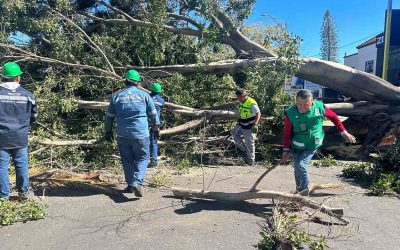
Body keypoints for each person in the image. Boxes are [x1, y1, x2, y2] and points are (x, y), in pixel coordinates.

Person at [282, 89, 356, 195]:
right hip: (297, 144)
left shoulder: (319, 107)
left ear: (311, 101)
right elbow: (287, 133)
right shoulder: (290, 113)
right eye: (299, 104)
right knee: (297, 167)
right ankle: (299, 190)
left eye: (305, 104)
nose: (302, 108)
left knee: (301, 166)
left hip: (312, 144)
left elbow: (334, 117)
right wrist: (286, 150)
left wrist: (343, 132)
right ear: (296, 102)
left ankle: (303, 193)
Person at [104, 69, 159, 198]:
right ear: (138, 82)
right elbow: (153, 114)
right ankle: (136, 182)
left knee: (127, 160)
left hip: (122, 134)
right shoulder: (144, 95)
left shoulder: (116, 96)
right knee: (143, 158)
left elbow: (109, 116)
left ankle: (130, 185)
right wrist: (156, 129)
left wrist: (108, 131)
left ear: (125, 81)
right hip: (140, 133)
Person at [0, 62, 37, 200]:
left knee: (1, 167)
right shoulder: (28, 95)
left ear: (2, 77)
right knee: (21, 165)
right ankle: (23, 193)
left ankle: (3, 196)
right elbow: (34, 117)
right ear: (18, 78)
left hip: (1, 138)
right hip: (20, 137)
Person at [231, 88, 261, 166]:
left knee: (250, 143)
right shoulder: (242, 101)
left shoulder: (251, 103)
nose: (238, 99)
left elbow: (258, 114)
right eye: (237, 97)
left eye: (239, 97)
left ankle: (251, 162)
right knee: (234, 133)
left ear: (244, 96)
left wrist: (255, 124)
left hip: (250, 126)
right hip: (242, 124)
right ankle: (244, 150)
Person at [148, 82, 165, 167]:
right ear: (159, 91)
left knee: (144, 143)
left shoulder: (147, 97)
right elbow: (161, 108)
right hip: (155, 124)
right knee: (153, 143)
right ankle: (154, 162)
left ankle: (145, 161)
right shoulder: (161, 100)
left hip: (145, 123)